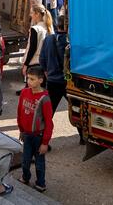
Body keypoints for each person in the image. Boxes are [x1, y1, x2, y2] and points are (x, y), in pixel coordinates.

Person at [40, 15, 84, 145]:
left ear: (56, 25)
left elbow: (42, 60)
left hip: (53, 81)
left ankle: (43, 140)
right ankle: (83, 137)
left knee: (48, 113)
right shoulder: (72, 42)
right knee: (76, 109)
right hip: (68, 82)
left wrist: (48, 73)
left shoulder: (48, 40)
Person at [17, 66, 54, 192]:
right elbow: (19, 112)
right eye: (28, 78)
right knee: (25, 160)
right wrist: (21, 129)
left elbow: (49, 123)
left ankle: (40, 183)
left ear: (41, 80)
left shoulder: (45, 99)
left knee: (39, 163)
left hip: (39, 137)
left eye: (32, 79)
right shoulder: (24, 93)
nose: (29, 81)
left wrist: (45, 143)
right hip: (26, 135)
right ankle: (25, 177)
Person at [17, 4, 54, 96]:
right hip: (45, 63)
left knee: (32, 92)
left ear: (37, 14)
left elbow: (32, 49)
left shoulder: (35, 29)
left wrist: (25, 64)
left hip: (34, 63)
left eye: (31, 13)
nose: (30, 15)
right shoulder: (49, 27)